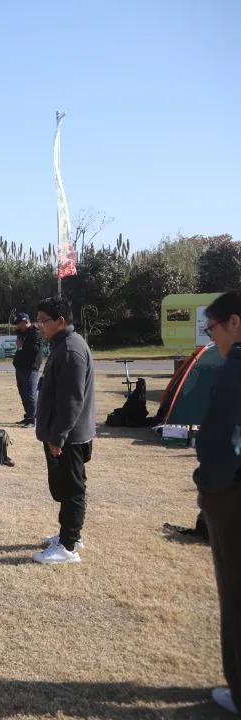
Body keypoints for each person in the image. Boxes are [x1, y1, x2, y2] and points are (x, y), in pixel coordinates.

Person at [193, 290, 241, 715]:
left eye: (211, 328)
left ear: (234, 323)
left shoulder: (236, 370)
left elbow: (219, 438)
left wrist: (207, 485)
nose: (211, 338)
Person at [32, 296, 95, 565]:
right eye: (38, 320)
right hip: (65, 433)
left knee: (71, 489)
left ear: (60, 321)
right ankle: (68, 534)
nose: (39, 326)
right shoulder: (62, 345)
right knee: (66, 487)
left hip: (68, 435)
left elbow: (72, 400)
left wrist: (57, 436)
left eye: (43, 321)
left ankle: (68, 546)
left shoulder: (70, 350)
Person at [13, 312, 44, 427]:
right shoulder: (20, 333)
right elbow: (20, 349)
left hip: (31, 368)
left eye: (19, 323)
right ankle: (28, 416)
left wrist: (22, 346)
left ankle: (33, 419)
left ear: (26, 322)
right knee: (23, 393)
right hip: (20, 367)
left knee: (30, 393)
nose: (17, 326)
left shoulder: (35, 332)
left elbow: (35, 349)